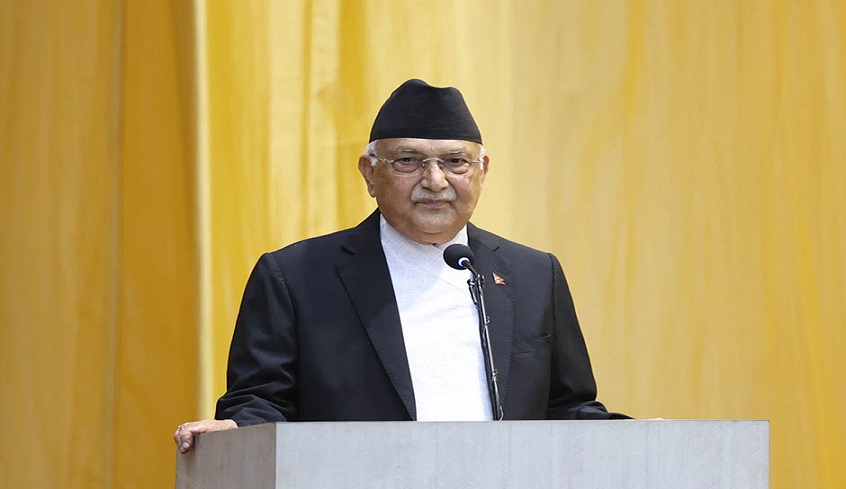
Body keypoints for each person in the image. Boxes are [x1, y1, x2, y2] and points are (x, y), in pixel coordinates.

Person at [174, 79, 627, 454]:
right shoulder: (296, 276)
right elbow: (261, 401)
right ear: (369, 172)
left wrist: (639, 438)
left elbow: (566, 408)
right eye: (408, 161)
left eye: (455, 162)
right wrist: (237, 430)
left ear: (482, 170)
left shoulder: (533, 274)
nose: (435, 180)